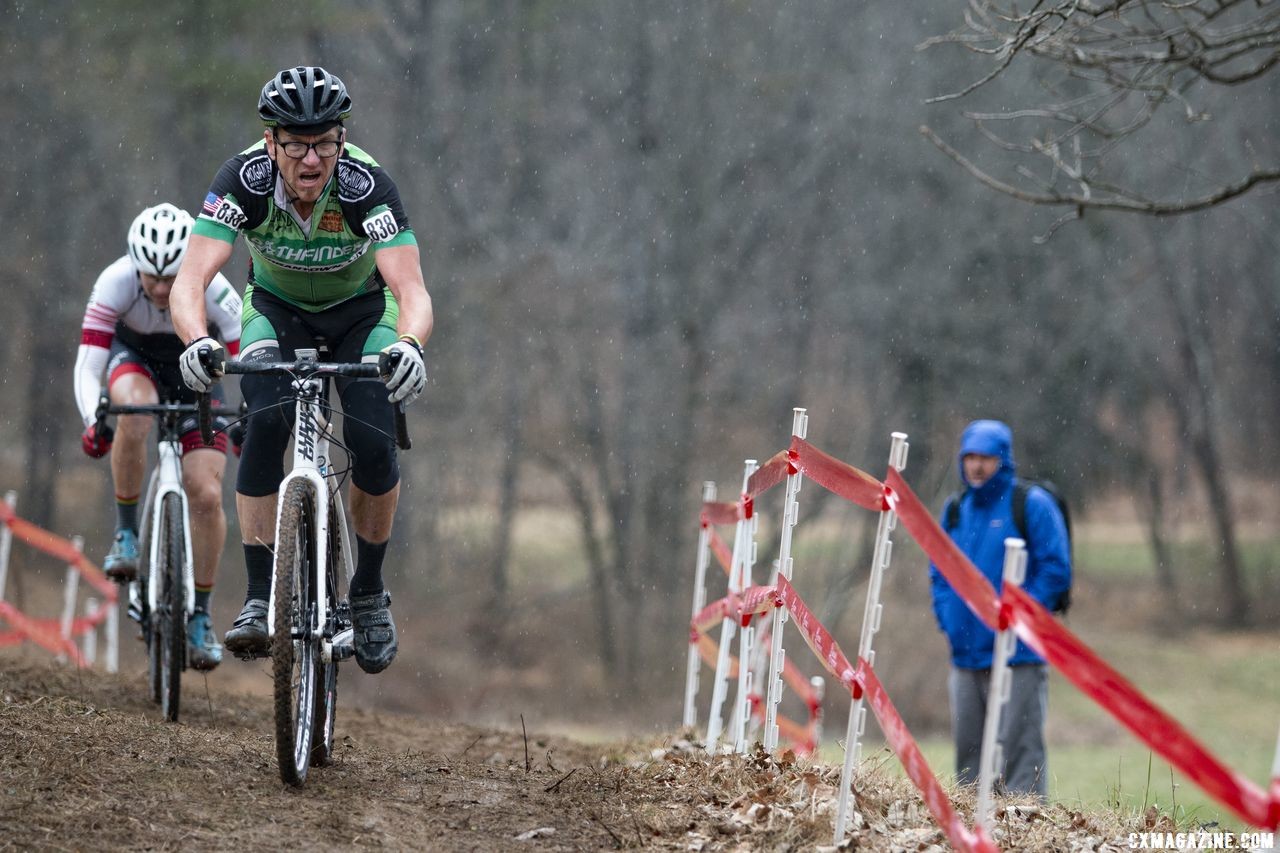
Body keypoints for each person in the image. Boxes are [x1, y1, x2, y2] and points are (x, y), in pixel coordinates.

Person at [170, 66, 432, 675]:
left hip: (364, 312)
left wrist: (411, 344)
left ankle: (366, 591)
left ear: (342, 141)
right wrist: (196, 340)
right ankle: (261, 596)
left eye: (324, 143)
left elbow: (412, 288)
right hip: (276, 311)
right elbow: (190, 281)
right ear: (271, 143)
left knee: (370, 440)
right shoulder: (243, 179)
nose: (311, 159)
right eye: (296, 144)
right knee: (264, 423)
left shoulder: (367, 184)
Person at [75, 202, 242, 671]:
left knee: (207, 494)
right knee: (134, 408)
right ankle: (126, 534)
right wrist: (94, 420)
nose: (164, 289)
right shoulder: (114, 282)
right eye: (154, 279)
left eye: (174, 277)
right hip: (138, 364)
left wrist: (253, 416)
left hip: (198, 380)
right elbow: (88, 364)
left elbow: (248, 358)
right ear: (136, 265)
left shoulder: (216, 290)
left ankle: (201, 616)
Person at [928, 419, 1071, 798]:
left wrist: (1017, 618)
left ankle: (1026, 832)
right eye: (970, 457)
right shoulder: (955, 509)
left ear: (1003, 459)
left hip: (1017, 656)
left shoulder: (1031, 505)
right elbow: (939, 571)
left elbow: (1055, 569)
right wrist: (947, 618)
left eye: (986, 458)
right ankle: (972, 832)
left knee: (1020, 755)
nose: (976, 466)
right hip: (965, 656)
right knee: (969, 759)